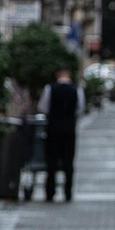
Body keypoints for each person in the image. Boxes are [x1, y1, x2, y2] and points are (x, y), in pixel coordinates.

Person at [37, 66, 84, 202]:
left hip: (53, 128)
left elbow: (43, 107)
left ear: (57, 75)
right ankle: (68, 192)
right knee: (68, 161)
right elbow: (80, 109)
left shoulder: (50, 88)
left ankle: (50, 192)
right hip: (69, 129)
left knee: (51, 161)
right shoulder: (77, 89)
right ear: (69, 75)